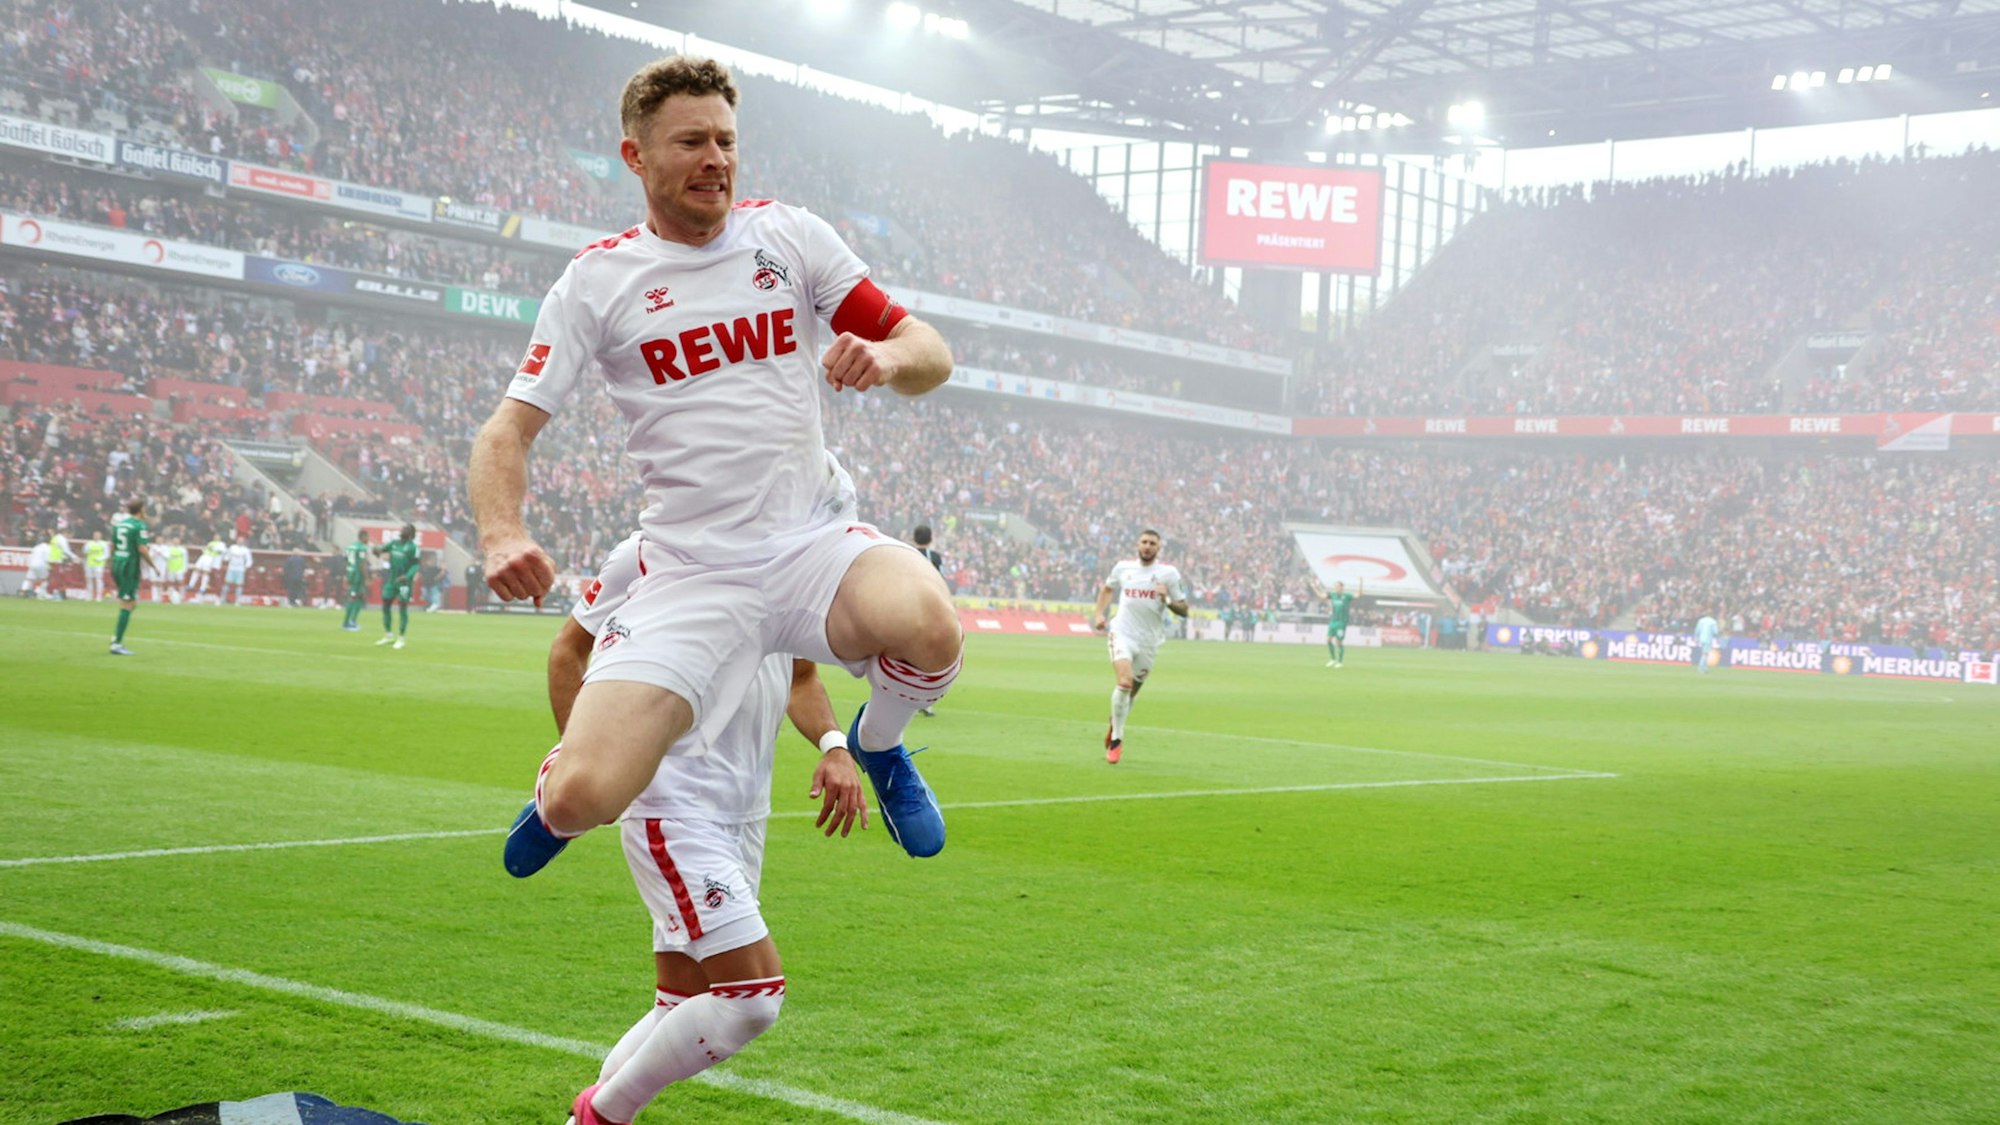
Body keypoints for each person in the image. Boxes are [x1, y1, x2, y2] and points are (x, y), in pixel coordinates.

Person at [471, 56, 960, 873]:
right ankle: (561, 786)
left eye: (727, 141)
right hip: (694, 567)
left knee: (930, 622)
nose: (716, 159)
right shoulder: (597, 281)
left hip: (810, 543)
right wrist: (501, 533)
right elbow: (506, 431)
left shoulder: (790, 237)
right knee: (585, 797)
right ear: (635, 156)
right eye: (691, 141)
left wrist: (886, 356)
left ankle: (880, 744)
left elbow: (931, 352)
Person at [542, 532, 867, 1125]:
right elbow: (569, 651)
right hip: (674, 804)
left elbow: (799, 678)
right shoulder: (645, 552)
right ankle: (604, 1114)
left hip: (744, 813)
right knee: (753, 1001)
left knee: (682, 1001)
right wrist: (582, 765)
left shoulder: (787, 561)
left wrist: (834, 745)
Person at [1091, 529, 1189, 764]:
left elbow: (1184, 609)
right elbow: (1107, 588)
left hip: (1149, 642)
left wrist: (1166, 599)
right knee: (1124, 682)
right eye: (1144, 542)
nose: (1147, 546)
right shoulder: (1123, 568)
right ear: (1137, 545)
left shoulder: (1169, 574)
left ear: (1159, 547)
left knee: (1131, 693)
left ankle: (1115, 722)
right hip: (1122, 633)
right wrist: (1099, 614)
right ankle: (1117, 740)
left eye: (1152, 543)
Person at [109, 499, 158, 655]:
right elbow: (142, 549)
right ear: (141, 509)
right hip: (129, 566)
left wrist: (112, 562)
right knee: (127, 603)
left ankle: (116, 637)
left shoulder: (120, 524)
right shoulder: (139, 526)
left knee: (131, 603)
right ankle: (116, 643)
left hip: (118, 563)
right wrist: (153, 566)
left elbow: (112, 545)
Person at [910, 524, 946, 717]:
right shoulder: (936, 558)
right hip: (931, 610)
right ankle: (925, 700)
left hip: (909, 608)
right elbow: (941, 582)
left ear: (913, 538)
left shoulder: (905, 554)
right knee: (930, 656)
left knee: (908, 656)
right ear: (931, 538)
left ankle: (908, 698)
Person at [374, 524, 420, 649]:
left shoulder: (413, 548)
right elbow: (381, 550)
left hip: (404, 583)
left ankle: (401, 638)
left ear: (411, 534)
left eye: (406, 529)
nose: (402, 530)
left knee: (402, 608)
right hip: (392, 580)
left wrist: (407, 576)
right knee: (385, 605)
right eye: (403, 528)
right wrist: (376, 550)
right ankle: (388, 635)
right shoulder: (394, 543)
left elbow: (416, 565)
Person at [1326, 579, 1364, 667]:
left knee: (1338, 642)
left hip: (1341, 622)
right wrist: (1314, 587)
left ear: (1342, 587)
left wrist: (1360, 583)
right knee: (1328, 640)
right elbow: (1322, 595)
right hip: (1333, 621)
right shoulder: (1333, 595)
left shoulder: (1347, 596)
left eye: (1337, 586)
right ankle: (1332, 659)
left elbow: (1359, 594)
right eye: (1335, 586)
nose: (1336, 588)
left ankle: (1340, 662)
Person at [341, 530, 370, 630]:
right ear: (363, 537)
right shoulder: (361, 548)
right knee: (353, 597)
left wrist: (347, 574)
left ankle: (352, 621)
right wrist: (367, 578)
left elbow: (345, 560)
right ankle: (346, 623)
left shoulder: (350, 547)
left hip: (351, 573)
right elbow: (363, 564)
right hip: (358, 575)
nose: (368, 539)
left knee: (360, 596)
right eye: (367, 537)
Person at [188, 535, 225, 603]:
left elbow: (221, 551)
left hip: (211, 558)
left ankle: (203, 588)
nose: (216, 537)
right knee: (196, 569)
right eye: (215, 536)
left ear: (220, 538)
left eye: (217, 537)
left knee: (206, 573)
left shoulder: (221, 544)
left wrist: (214, 549)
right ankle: (191, 585)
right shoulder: (210, 543)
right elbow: (207, 548)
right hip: (204, 556)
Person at [221, 538, 251, 605]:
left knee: (239, 585)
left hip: (240, 569)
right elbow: (227, 557)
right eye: (239, 540)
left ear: (244, 542)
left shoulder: (246, 550)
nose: (240, 542)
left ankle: (237, 601)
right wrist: (225, 559)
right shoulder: (232, 547)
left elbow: (249, 560)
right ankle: (222, 599)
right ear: (237, 541)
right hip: (231, 568)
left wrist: (246, 567)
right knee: (227, 583)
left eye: (241, 541)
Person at [83, 532, 108, 602]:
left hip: (99, 564)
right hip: (89, 563)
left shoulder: (103, 544)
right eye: (95, 535)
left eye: (97, 535)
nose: (96, 537)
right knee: (89, 579)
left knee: (98, 579)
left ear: (100, 536)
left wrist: (100, 558)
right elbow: (85, 552)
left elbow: (107, 554)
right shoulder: (89, 543)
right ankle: (89, 596)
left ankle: (99, 596)